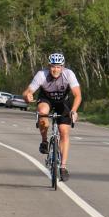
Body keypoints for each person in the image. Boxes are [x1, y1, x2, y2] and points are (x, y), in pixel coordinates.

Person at [23, 52, 81, 181]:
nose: (55, 69)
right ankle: (44, 141)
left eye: (58, 66)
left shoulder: (69, 74)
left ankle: (63, 167)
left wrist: (74, 111)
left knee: (64, 131)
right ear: (49, 66)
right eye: (53, 66)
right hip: (46, 100)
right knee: (43, 111)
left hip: (63, 102)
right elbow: (27, 92)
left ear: (63, 67)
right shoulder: (41, 75)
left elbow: (77, 95)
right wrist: (27, 97)